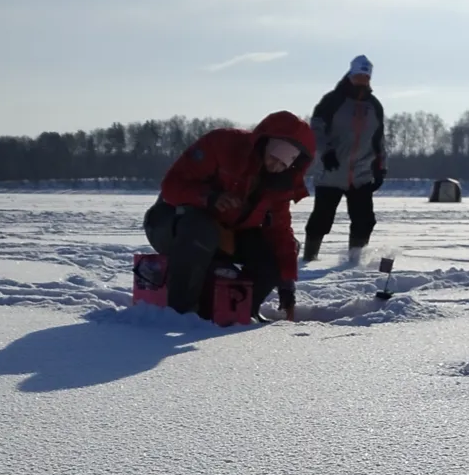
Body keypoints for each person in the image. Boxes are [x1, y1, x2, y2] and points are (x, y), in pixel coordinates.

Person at [142, 111, 316, 321]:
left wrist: (287, 283)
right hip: (170, 224)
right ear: (264, 143)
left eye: (283, 164)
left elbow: (280, 230)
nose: (275, 167)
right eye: (273, 158)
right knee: (201, 230)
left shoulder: (280, 183)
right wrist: (209, 198)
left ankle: (238, 314)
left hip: (225, 237)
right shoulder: (222, 144)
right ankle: (180, 315)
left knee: (273, 255)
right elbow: (171, 185)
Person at [303, 54, 387, 263]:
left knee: (365, 220)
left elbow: (379, 140)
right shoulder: (332, 101)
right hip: (331, 171)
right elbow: (316, 129)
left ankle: (354, 261)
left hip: (361, 174)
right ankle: (309, 259)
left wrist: (381, 168)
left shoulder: (374, 106)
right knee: (321, 219)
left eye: (366, 77)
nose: (362, 80)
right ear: (351, 74)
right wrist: (327, 152)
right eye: (358, 75)